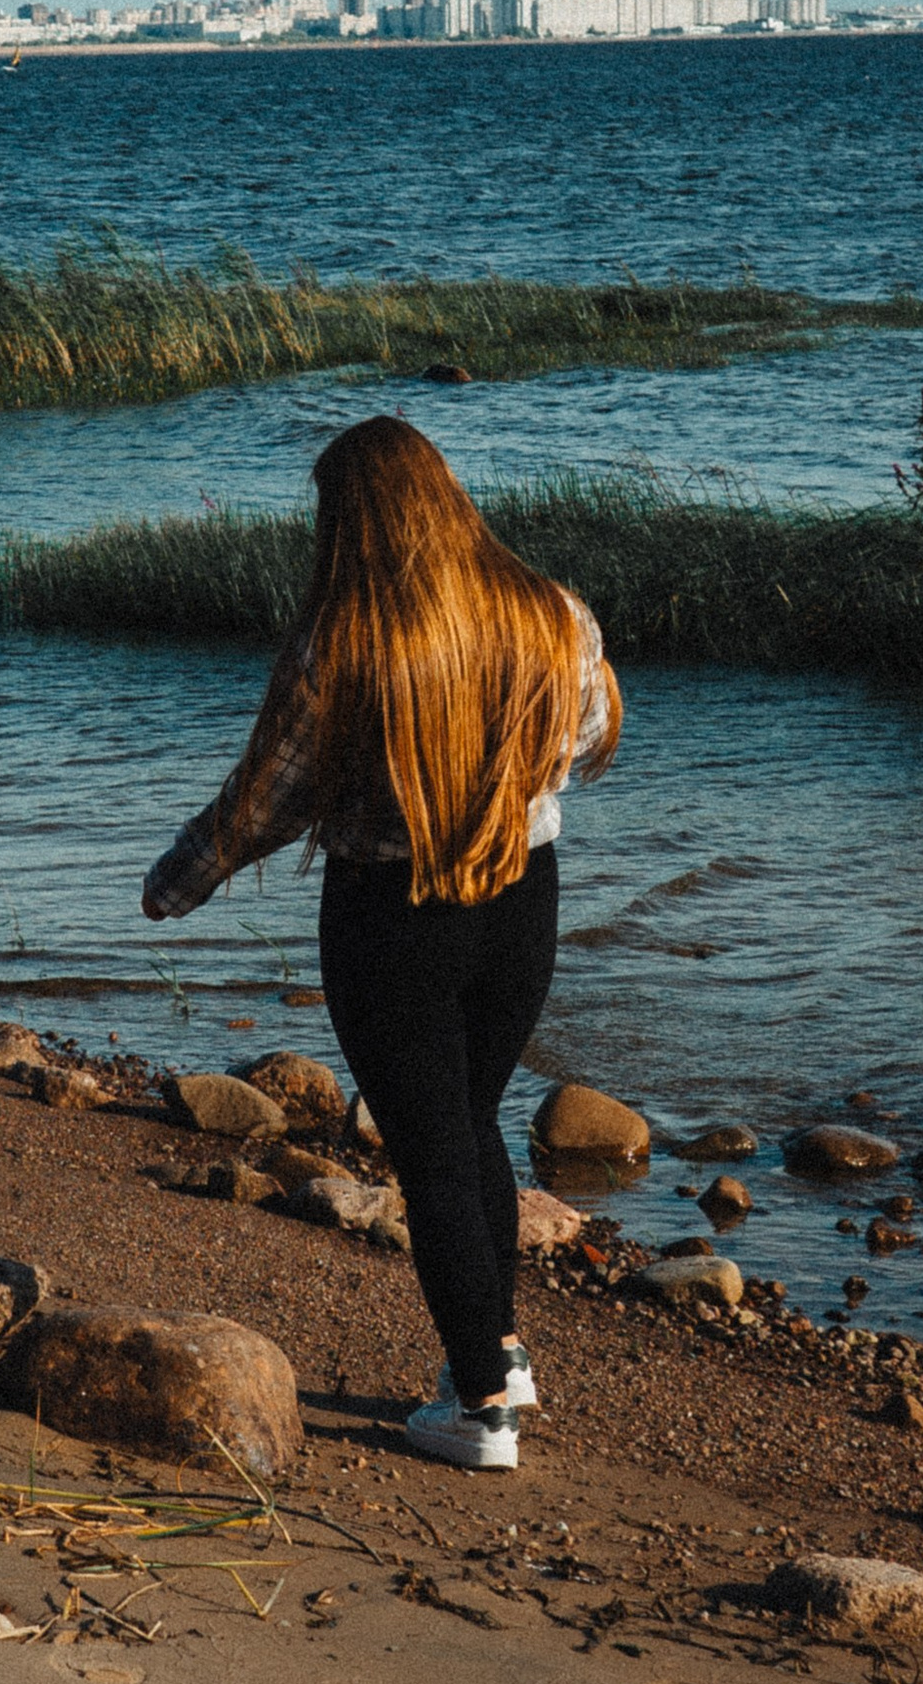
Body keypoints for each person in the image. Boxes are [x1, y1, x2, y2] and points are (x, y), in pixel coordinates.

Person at [142, 415, 619, 1471]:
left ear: (354, 520)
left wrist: (174, 885)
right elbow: (587, 739)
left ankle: (484, 1408)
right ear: (444, 494)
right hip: (521, 896)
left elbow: (267, 797)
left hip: (392, 914)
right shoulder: (553, 611)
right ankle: (492, 1354)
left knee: (434, 1151)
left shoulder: (345, 639)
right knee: (470, 1124)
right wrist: (496, 777)